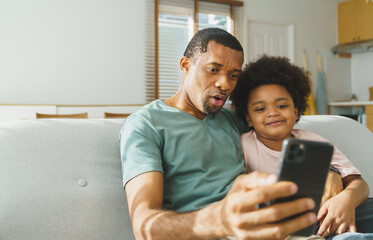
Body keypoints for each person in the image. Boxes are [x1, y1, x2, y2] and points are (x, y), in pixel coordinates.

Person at [120, 28, 341, 240]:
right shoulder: (145, 124)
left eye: (234, 75)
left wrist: (329, 172)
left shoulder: (234, 120)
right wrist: (220, 219)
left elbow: (282, 137)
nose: (225, 84)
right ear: (186, 65)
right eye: (213, 70)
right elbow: (144, 225)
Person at [230, 55, 373, 239]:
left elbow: (358, 183)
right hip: (290, 226)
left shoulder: (315, 142)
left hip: (330, 213)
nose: (273, 113)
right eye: (260, 109)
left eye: (281, 105)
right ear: (248, 118)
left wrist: (346, 200)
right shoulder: (243, 145)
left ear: (295, 110)